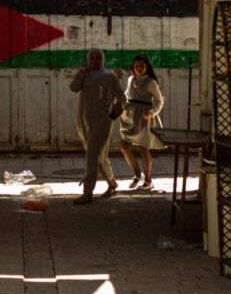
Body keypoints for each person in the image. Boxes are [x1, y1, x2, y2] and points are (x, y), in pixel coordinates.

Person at [69, 48, 125, 204]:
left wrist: (117, 109)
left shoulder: (109, 77)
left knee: (92, 155)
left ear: (102, 60)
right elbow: (73, 88)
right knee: (99, 155)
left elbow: (122, 97)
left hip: (103, 121)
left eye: (97, 58)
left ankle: (87, 193)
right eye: (92, 58)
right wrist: (81, 73)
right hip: (85, 120)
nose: (94, 60)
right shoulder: (85, 75)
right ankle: (112, 183)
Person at [117, 53, 165, 190]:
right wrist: (121, 101)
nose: (139, 68)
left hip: (144, 118)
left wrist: (151, 112)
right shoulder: (131, 79)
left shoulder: (151, 82)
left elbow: (159, 101)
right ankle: (138, 174)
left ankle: (149, 181)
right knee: (124, 147)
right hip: (131, 116)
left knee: (144, 149)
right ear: (133, 67)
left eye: (142, 66)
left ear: (147, 67)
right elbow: (127, 94)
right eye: (136, 66)